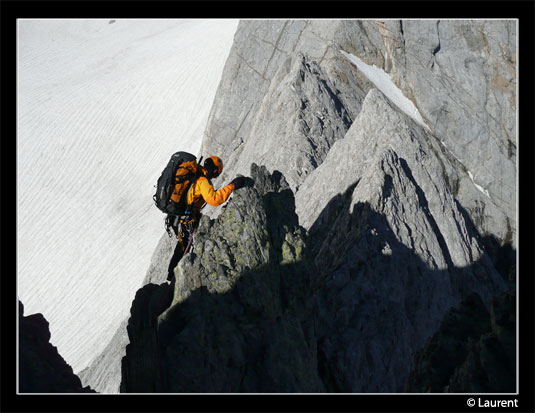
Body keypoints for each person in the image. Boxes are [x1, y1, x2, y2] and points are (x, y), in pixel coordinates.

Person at [166, 156, 246, 281]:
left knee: (182, 246)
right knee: (183, 247)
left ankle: (172, 277)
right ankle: (173, 278)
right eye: (217, 173)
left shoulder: (197, 176)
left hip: (179, 218)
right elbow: (214, 199)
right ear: (215, 171)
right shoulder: (203, 181)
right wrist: (232, 186)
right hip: (184, 221)